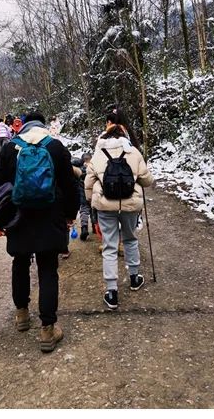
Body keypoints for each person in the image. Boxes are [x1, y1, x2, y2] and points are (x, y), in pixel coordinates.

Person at [0, 111, 80, 352]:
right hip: (50, 217)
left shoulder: (10, 148)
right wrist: (70, 214)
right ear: (43, 125)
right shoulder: (56, 147)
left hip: (18, 218)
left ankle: (21, 315)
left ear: (24, 125)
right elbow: (70, 186)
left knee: (19, 263)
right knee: (48, 269)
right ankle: (48, 330)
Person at [86, 123, 154, 309]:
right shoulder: (133, 153)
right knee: (130, 239)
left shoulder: (98, 154)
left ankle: (112, 291)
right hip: (130, 205)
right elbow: (147, 180)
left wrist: (91, 201)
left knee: (109, 246)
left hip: (105, 205)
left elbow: (89, 182)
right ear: (124, 136)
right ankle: (134, 278)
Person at [72, 153, 95, 241]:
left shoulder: (79, 169)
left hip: (82, 193)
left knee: (84, 210)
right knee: (93, 209)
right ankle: (94, 226)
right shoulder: (93, 168)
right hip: (93, 193)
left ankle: (84, 228)